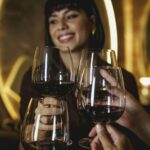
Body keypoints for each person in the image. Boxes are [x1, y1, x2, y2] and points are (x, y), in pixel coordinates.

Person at [19, 0, 144, 149]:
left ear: (92, 22)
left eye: (71, 16)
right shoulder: (37, 77)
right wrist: (33, 135)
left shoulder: (122, 79)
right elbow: (22, 145)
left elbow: (137, 143)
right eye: (53, 20)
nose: (61, 25)